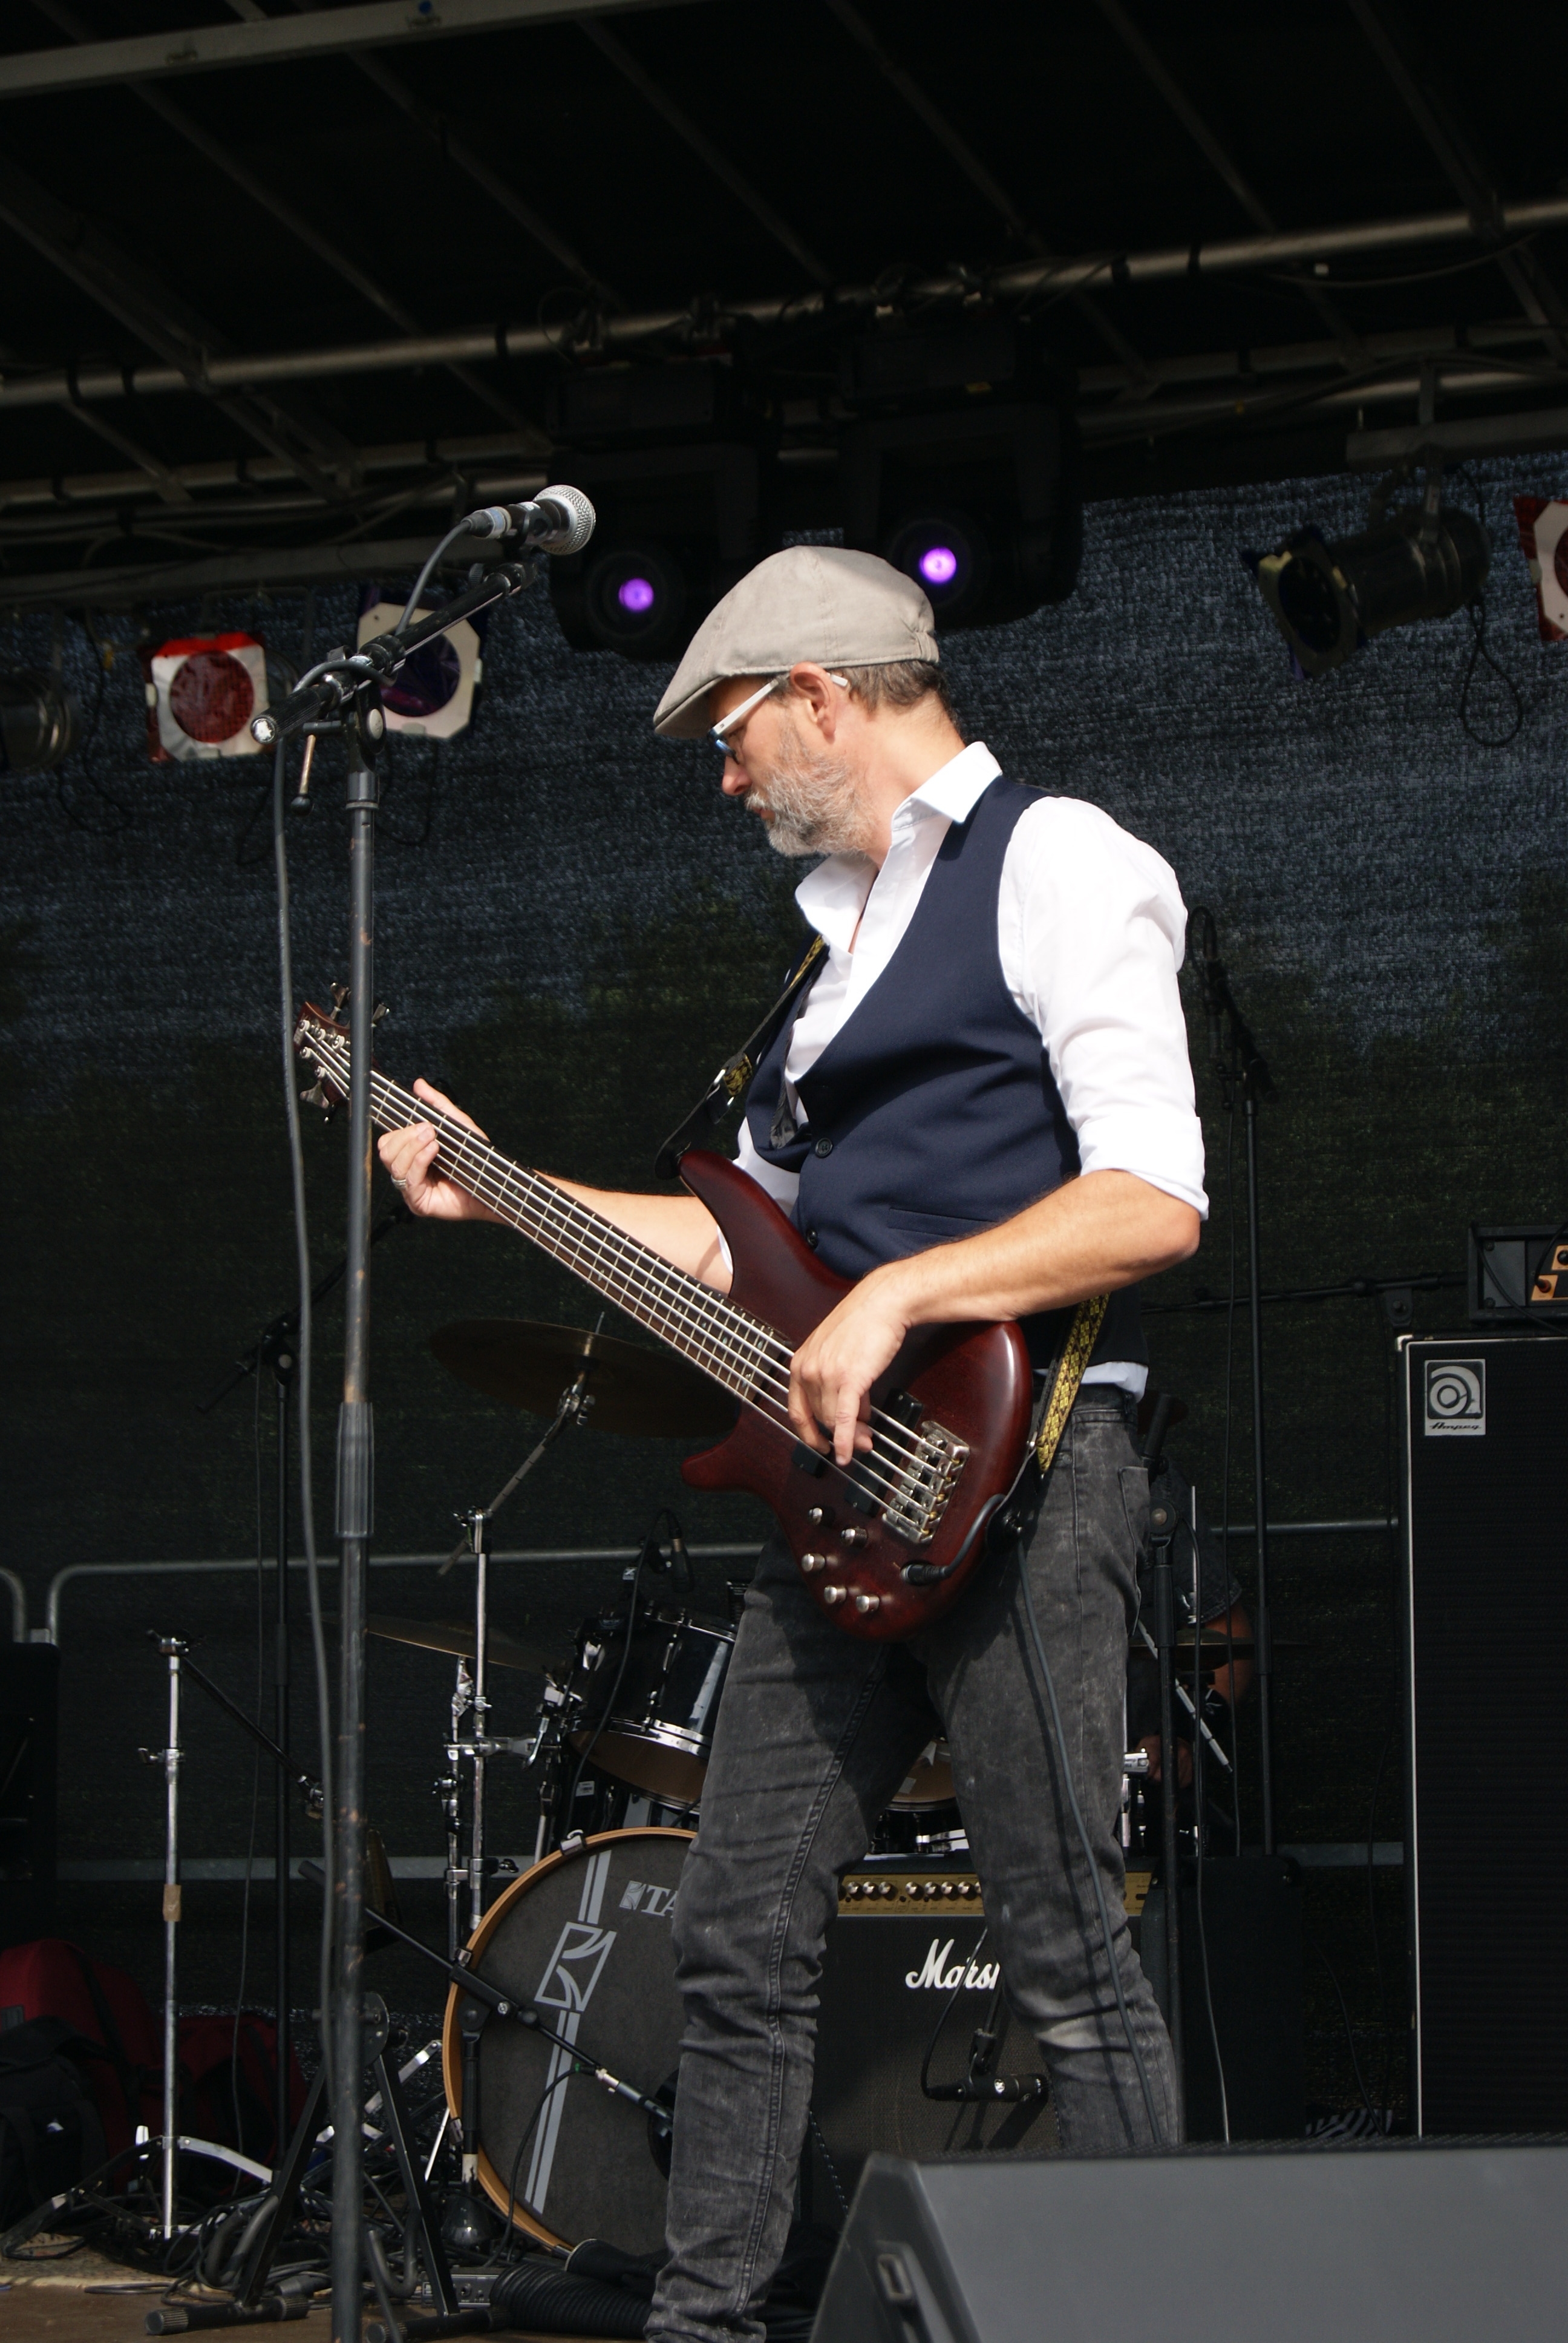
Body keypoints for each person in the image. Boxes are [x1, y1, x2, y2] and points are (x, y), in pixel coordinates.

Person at [378, 546, 1207, 2343]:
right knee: (736, 1933)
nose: (725, 775)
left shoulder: (1059, 861)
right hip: (841, 1504)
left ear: (824, 698)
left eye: (733, 733)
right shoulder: (826, 964)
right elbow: (727, 1245)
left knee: (1067, 1947)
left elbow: (1153, 1199)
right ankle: (708, 2325)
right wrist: (503, 1192)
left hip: (1028, 1476)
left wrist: (897, 1297)